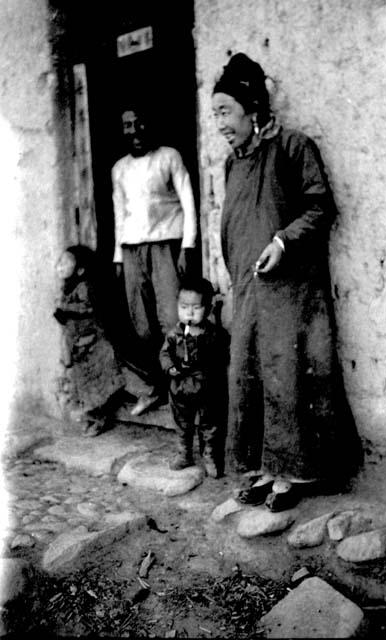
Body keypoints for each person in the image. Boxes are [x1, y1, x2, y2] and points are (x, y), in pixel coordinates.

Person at [211, 53, 362, 510]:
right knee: (248, 372)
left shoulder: (294, 147)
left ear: (252, 110)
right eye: (214, 113)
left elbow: (320, 207)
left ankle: (294, 473)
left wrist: (282, 242)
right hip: (249, 286)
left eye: (225, 112)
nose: (219, 123)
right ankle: (261, 467)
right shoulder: (232, 164)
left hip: (292, 287)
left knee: (286, 374)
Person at [112, 104, 197, 417]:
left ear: (150, 125)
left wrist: (188, 245)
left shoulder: (169, 156)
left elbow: (188, 202)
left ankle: (184, 394)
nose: (135, 131)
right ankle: (152, 388)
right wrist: (119, 257)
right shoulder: (119, 168)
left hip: (165, 245)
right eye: (128, 125)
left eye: (140, 123)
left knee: (172, 321)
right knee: (141, 326)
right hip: (132, 249)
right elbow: (119, 213)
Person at [159, 277, 229, 478]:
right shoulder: (175, 334)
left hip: (206, 386)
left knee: (210, 423)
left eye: (196, 308)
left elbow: (222, 353)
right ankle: (185, 453)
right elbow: (164, 353)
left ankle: (210, 457)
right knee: (182, 423)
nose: (189, 313)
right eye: (183, 307)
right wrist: (170, 367)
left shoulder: (213, 333)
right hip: (179, 386)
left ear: (207, 309)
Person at [54, 245, 126, 437]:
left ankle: (99, 418)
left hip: (91, 341)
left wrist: (66, 307)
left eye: (66, 262)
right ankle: (90, 416)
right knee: (83, 382)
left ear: (80, 270)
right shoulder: (66, 288)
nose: (59, 266)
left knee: (95, 382)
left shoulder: (83, 287)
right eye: (59, 261)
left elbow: (88, 308)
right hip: (78, 342)